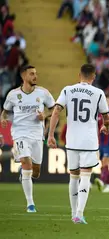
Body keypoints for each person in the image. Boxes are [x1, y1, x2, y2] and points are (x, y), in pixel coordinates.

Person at [47, 64, 109, 224]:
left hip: (72, 140)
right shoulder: (98, 93)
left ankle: (73, 212)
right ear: (94, 77)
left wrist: (50, 135)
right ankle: (79, 214)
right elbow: (106, 116)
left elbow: (56, 111)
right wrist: (105, 126)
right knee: (85, 175)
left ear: (79, 75)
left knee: (73, 176)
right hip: (88, 141)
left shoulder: (67, 90)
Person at [1, 65, 55, 213]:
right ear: (23, 76)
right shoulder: (13, 94)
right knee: (27, 164)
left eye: (36, 73)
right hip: (19, 133)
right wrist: (3, 119)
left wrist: (44, 115)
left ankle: (23, 173)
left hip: (37, 134)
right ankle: (30, 204)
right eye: (32, 74)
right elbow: (4, 112)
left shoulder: (43, 93)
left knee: (36, 172)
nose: (35, 76)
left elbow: (54, 108)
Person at [94, 94, 109, 193]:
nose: (105, 101)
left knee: (105, 161)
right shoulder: (98, 113)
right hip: (101, 142)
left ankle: (102, 181)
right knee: (104, 164)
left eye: (107, 99)